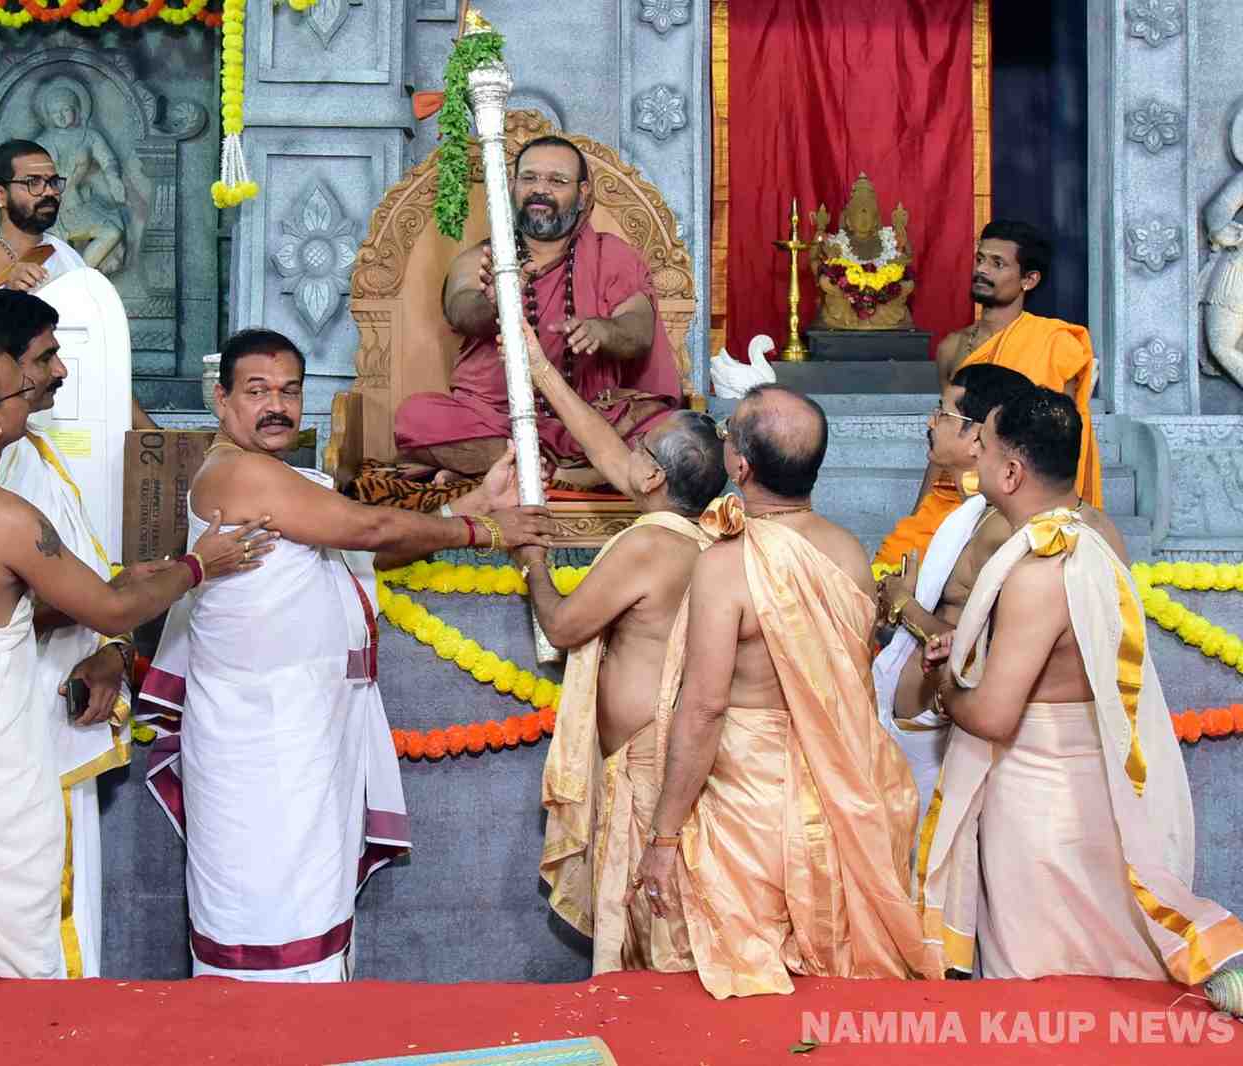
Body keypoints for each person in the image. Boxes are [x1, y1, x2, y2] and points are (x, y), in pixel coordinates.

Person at [0, 341, 272, 979]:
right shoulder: (7, 518)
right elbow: (111, 611)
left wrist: (128, 579)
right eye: (21, 390)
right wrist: (197, 565)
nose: (36, 394)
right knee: (10, 973)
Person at [140, 327, 556, 982]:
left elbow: (363, 549)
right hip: (259, 736)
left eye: (289, 391)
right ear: (220, 400)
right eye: (256, 391)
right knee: (262, 914)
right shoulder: (237, 473)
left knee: (312, 907)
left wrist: (472, 502)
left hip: (304, 727)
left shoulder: (286, 481)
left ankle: (315, 1027)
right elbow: (369, 526)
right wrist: (483, 530)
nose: (276, 406)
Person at [918, 388, 1243, 982]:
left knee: (1040, 981)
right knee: (1104, 977)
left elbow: (992, 717)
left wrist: (944, 680)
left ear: (1011, 474)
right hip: (1092, 794)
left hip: (1040, 805)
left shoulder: (1040, 568)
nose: (975, 455)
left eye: (983, 445)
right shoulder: (1093, 541)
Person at [630, 385, 939, 998]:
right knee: (828, 992)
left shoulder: (726, 565)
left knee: (744, 989)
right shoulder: (848, 553)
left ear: (740, 466)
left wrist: (663, 837)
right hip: (839, 793)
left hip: (746, 804)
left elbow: (704, 708)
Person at [512, 321, 728, 976]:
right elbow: (606, 449)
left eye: (641, 447)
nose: (626, 451)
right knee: (651, 923)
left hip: (647, 764)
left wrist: (534, 565)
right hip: (652, 755)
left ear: (653, 474)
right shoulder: (694, 533)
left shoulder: (648, 544)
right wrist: (539, 368)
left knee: (652, 929)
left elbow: (563, 627)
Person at [0, 289, 133, 978]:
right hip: (9, 732)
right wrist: (142, 592)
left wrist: (112, 651)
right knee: (27, 923)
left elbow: (89, 576)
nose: (60, 371)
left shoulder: (34, 453)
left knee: (68, 915)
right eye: (46, 357)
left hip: (61, 709)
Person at [393, 135, 682, 486]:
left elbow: (639, 329)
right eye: (529, 178)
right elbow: (460, 308)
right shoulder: (482, 258)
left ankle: (498, 469)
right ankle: (566, 473)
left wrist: (603, 330)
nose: (540, 190)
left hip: (587, 420)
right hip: (492, 420)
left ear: (583, 194)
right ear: (512, 187)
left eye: (557, 181)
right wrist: (495, 302)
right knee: (416, 417)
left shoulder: (611, 255)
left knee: (668, 429)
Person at [870, 363, 1032, 831]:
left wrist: (905, 604)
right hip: (913, 725)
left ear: (978, 435)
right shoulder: (967, 513)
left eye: (942, 413)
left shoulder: (1002, 528)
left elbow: (989, 650)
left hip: (947, 731)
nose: (930, 421)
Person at [0, 139, 155, 431]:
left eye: (53, 182)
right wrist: (6, 297)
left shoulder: (65, 256)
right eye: (33, 183)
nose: (49, 191)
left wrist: (151, 434)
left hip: (79, 424)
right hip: (5, 429)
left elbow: (100, 362)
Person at [931, 219, 1100, 506]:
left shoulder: (1054, 344)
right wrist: (918, 512)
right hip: (954, 498)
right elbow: (947, 434)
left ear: (1029, 280)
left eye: (998, 263)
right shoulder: (951, 348)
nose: (982, 270)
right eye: (980, 259)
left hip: (1022, 499)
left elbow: (1060, 442)